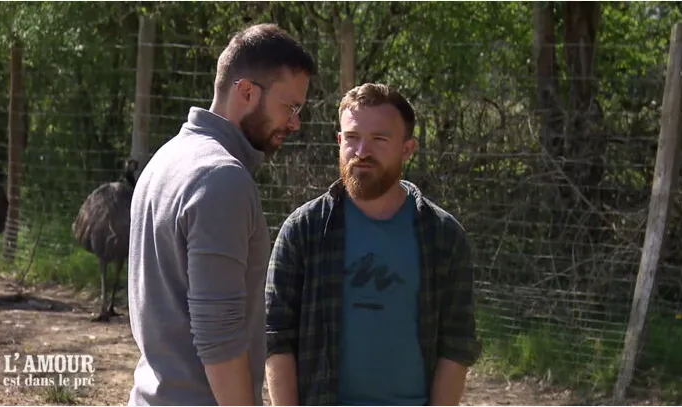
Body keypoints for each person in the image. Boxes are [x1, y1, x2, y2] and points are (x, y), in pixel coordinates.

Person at [127, 23, 317, 406]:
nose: (295, 122)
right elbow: (218, 337)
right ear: (246, 92)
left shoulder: (166, 159)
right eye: (290, 107)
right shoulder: (222, 178)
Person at [264, 83, 482, 406]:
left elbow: (457, 344)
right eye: (352, 137)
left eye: (379, 139)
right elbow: (276, 336)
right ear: (339, 141)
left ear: (407, 149)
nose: (362, 151)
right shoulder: (303, 230)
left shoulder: (443, 235)